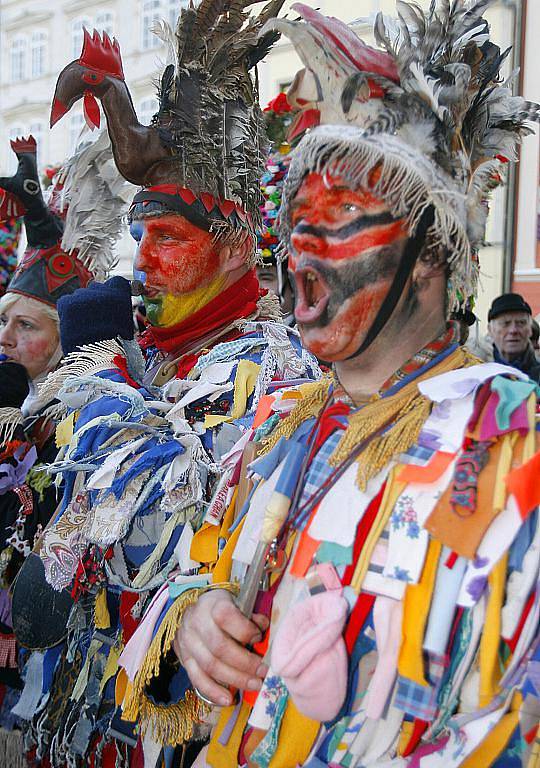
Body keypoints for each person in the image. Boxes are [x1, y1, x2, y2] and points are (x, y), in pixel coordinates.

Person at [127, 3, 540, 766]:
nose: (302, 247)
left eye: (344, 214)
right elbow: (192, 571)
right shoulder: (281, 419)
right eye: (295, 221)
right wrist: (193, 618)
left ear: (428, 254)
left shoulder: (512, 445)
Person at [14, 4, 321, 765]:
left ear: (235, 248)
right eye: (139, 235)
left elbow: (161, 533)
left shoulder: (275, 373)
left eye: (169, 238)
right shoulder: (144, 352)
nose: (141, 261)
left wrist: (100, 381)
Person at [0, 130, 130, 762]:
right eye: (2, 320)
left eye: (24, 324)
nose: (5, 336)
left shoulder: (76, 421)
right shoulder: (14, 410)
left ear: (61, 335)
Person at [488, 292, 540, 382]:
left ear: (530, 330)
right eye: (505, 323)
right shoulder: (479, 377)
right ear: (490, 330)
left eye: (521, 323)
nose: (513, 330)